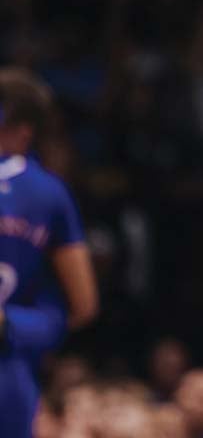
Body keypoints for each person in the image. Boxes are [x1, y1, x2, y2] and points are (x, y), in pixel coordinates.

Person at [0, 67, 99, 438]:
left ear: (23, 130)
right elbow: (81, 307)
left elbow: (82, 305)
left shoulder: (44, 193)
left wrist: (9, 325)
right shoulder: (51, 193)